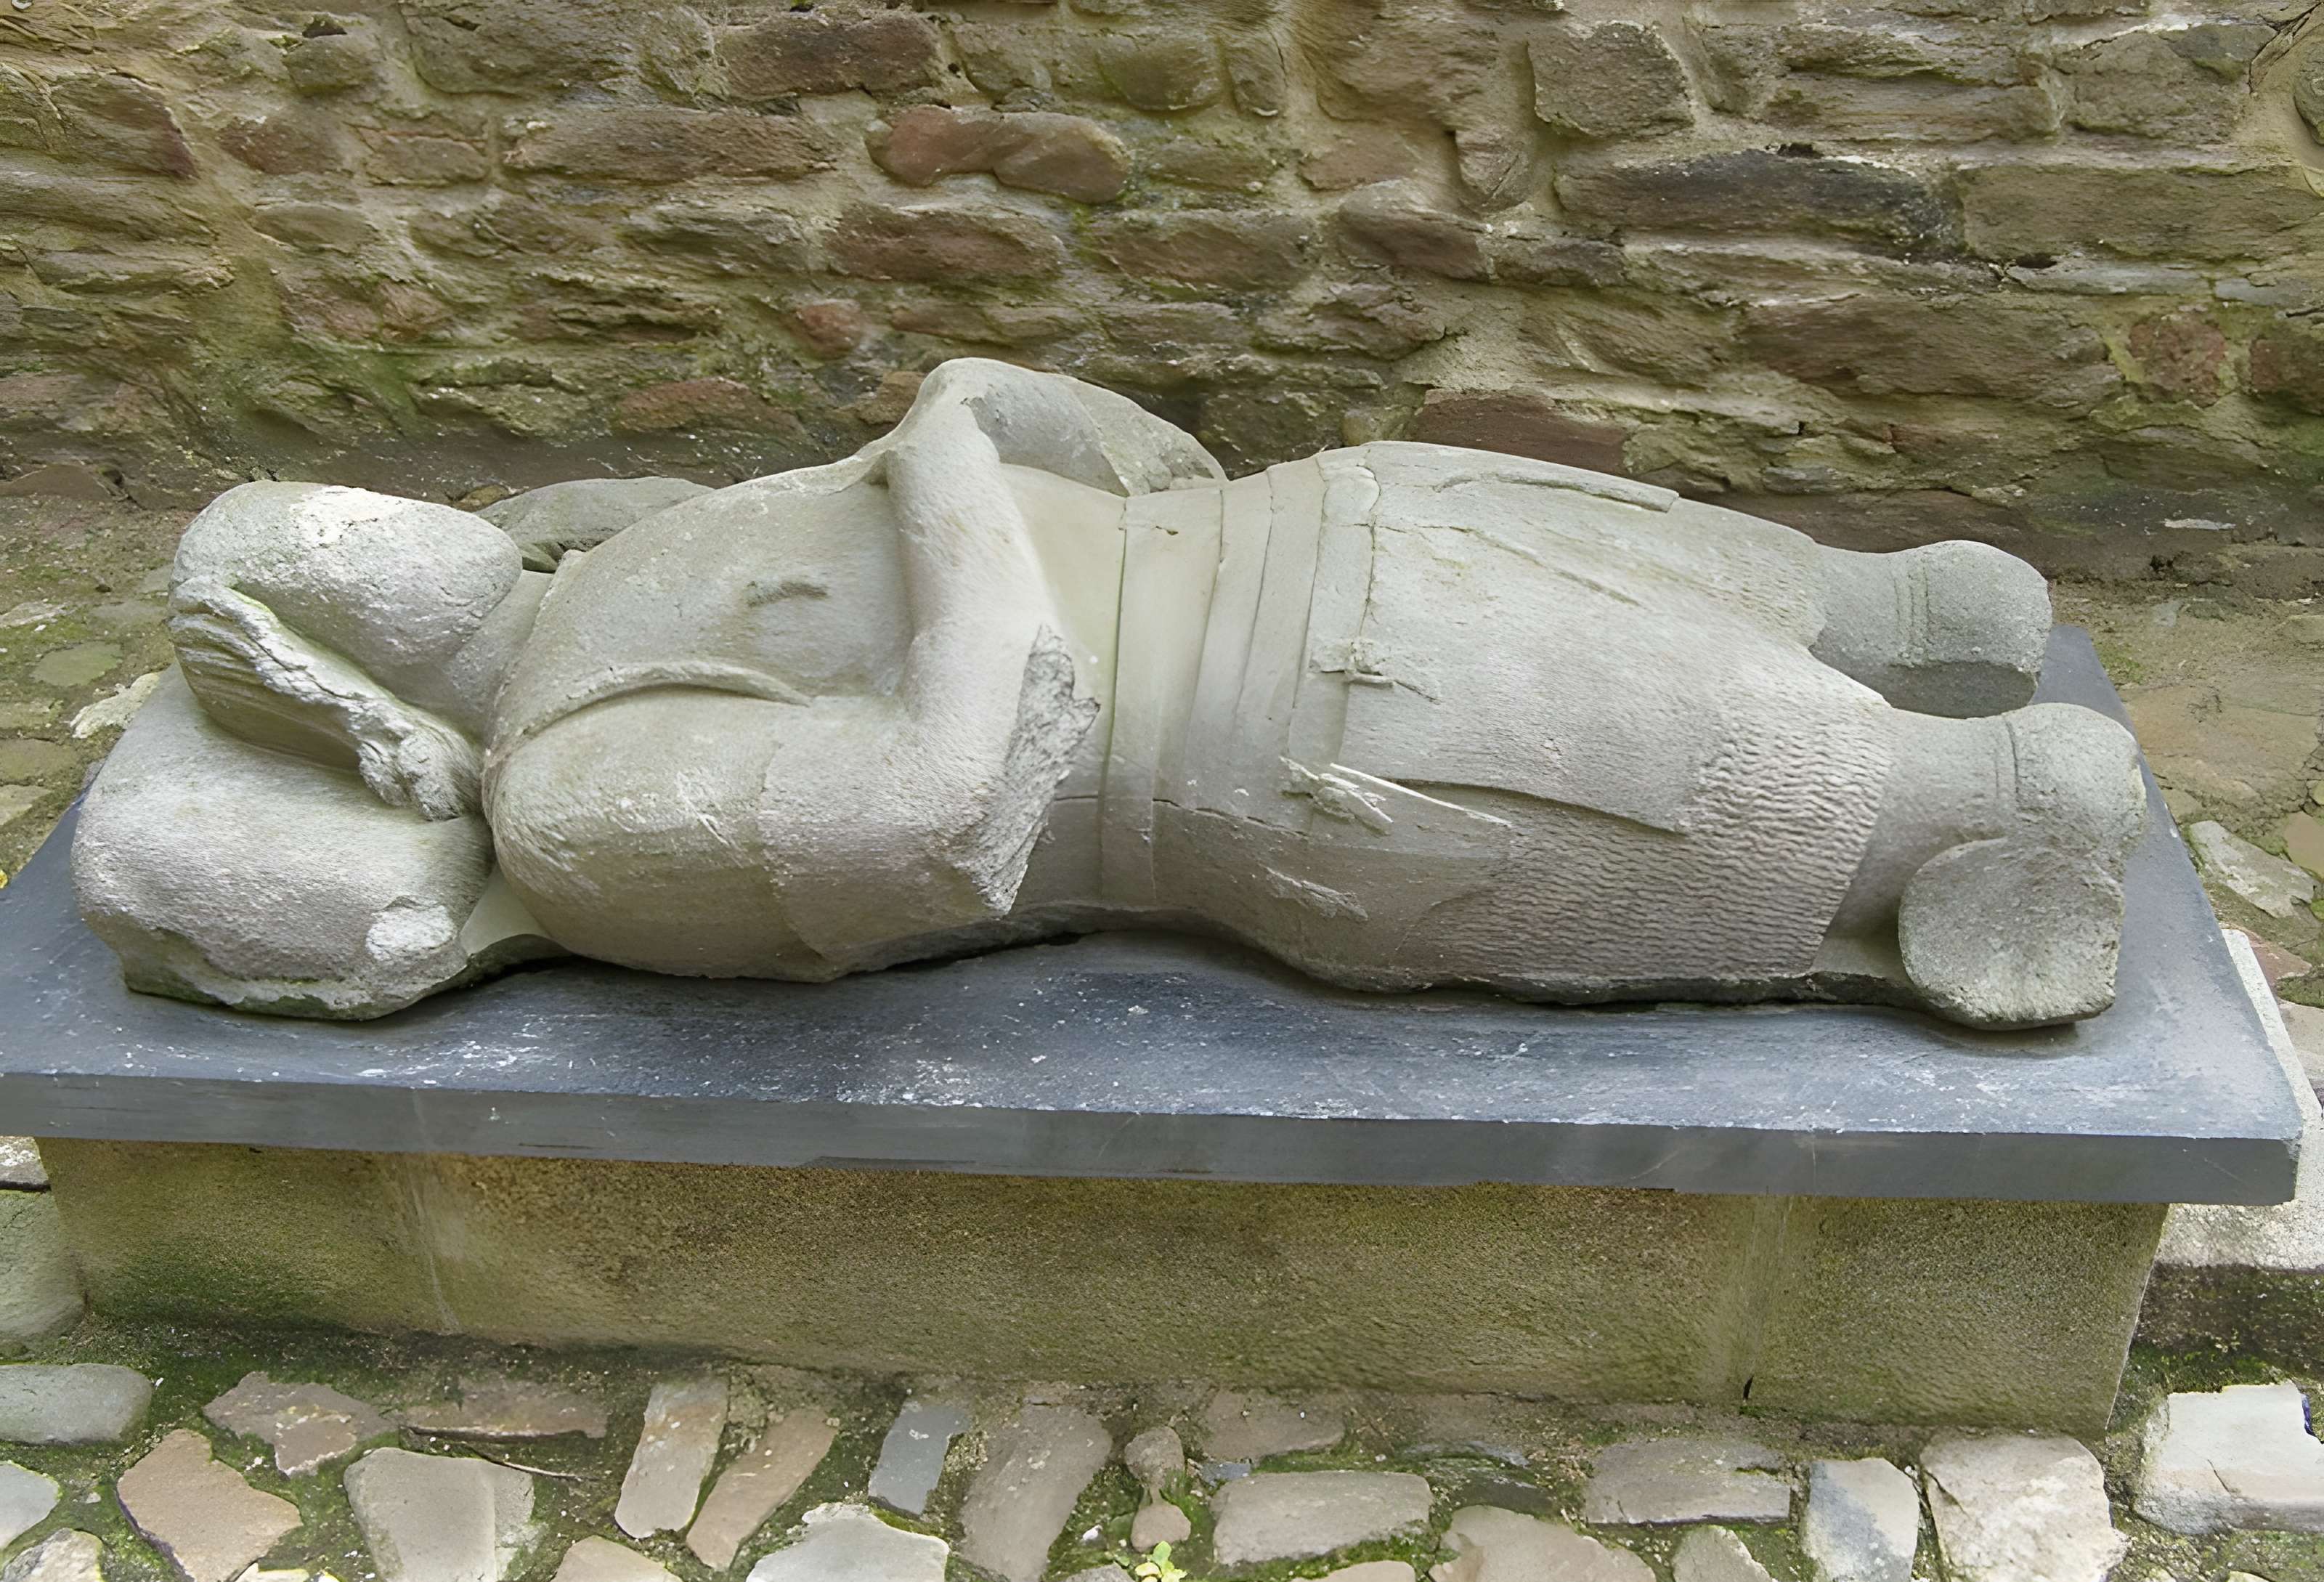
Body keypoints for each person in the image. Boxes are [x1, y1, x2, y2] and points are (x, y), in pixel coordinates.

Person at [76, 361, 2144, 1029]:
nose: (384, 540)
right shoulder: (578, 803)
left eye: (339, 517)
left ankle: (1885, 638)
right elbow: (938, 804)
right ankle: (1948, 851)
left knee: (1884, 607)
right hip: (1306, 753)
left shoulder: (606, 544)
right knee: (1882, 783)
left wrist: (1049, 415)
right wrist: (956, 463)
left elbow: (1054, 447)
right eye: (331, 584)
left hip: (1325, 530)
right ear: (339, 683)